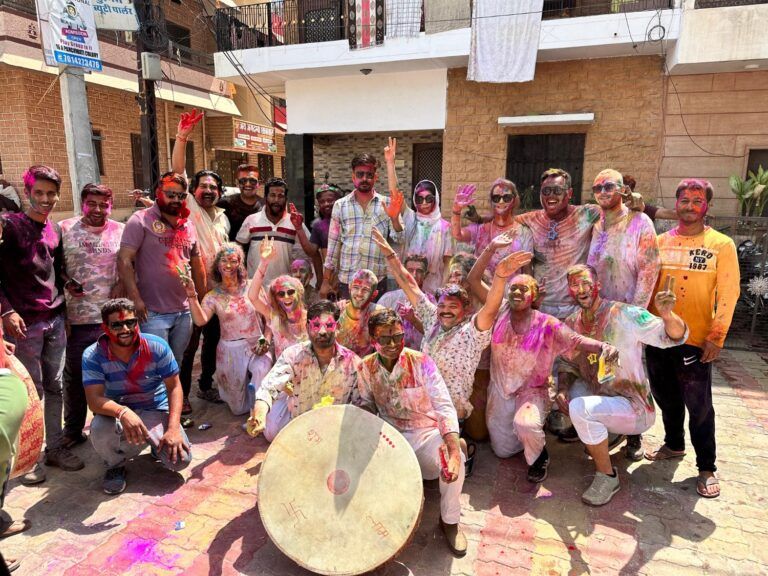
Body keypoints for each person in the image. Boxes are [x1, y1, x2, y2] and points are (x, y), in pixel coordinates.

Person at [557, 265, 687, 505]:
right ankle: (608, 432)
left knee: (580, 409)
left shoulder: (625, 315)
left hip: (635, 407)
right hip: (604, 396)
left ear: (597, 285)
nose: (581, 289)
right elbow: (567, 363)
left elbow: (674, 337)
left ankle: (607, 476)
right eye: (575, 285)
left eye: (586, 283)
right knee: (570, 397)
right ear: (569, 290)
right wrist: (562, 389)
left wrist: (668, 315)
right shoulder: (573, 322)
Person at [372, 228, 532, 420]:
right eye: (442, 305)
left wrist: (500, 277)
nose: (446, 310)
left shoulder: (472, 332)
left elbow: (491, 306)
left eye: (453, 306)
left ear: (465, 310)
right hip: (421, 402)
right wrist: (389, 253)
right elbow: (409, 283)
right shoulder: (432, 318)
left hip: (450, 410)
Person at [645, 178, 740, 499]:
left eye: (696, 201)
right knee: (665, 395)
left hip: (696, 340)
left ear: (706, 207)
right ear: (677, 204)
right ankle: (673, 444)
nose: (689, 206)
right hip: (658, 337)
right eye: (683, 200)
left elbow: (729, 293)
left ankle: (707, 467)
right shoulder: (658, 242)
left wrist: (717, 336)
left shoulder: (721, 246)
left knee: (699, 406)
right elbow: (646, 287)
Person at [487, 273, 619, 483]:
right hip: (500, 389)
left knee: (526, 426)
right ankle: (531, 434)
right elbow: (476, 283)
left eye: (524, 289)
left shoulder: (546, 323)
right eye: (513, 288)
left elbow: (576, 340)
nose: (517, 292)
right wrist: (499, 268)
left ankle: (540, 457)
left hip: (532, 390)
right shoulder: (499, 311)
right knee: (503, 450)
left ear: (534, 296)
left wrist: (602, 346)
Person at [357, 309, 467, 557]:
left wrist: (452, 452)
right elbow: (366, 404)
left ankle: (449, 521)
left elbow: (443, 406)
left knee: (453, 457)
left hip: (425, 436)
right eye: (385, 339)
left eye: (398, 336)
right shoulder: (365, 368)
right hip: (389, 439)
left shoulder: (422, 362)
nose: (393, 344)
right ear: (373, 340)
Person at [0, 165, 83, 484]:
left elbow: (55, 268)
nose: (45, 199)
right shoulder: (9, 226)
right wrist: (6, 310)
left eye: (51, 193)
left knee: (55, 386)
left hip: (54, 319)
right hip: (23, 325)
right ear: (28, 191)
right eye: (39, 193)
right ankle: (27, 457)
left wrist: (69, 283)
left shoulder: (55, 230)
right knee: (29, 393)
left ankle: (55, 448)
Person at [83, 299, 191, 495]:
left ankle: (155, 443)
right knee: (98, 427)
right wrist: (123, 412)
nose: (125, 329)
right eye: (116, 324)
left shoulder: (157, 346)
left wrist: (173, 428)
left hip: (155, 409)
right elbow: (94, 400)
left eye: (130, 322)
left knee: (181, 461)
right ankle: (115, 464)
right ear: (105, 327)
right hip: (118, 414)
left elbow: (174, 387)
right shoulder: (92, 355)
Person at [60, 184, 125, 450]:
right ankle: (73, 430)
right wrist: (66, 284)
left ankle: (106, 427)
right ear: (82, 203)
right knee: (74, 377)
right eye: (91, 204)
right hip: (76, 319)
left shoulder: (121, 231)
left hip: (109, 321)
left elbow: (126, 268)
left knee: (110, 377)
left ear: (110, 205)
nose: (98, 210)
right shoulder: (64, 229)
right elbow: (55, 268)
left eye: (104, 205)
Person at [248, 300, 362, 440]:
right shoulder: (293, 355)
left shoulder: (354, 363)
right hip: (300, 433)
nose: (322, 331)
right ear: (308, 327)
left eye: (329, 325)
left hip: (336, 435)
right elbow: (268, 387)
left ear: (337, 327)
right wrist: (259, 416)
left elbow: (360, 407)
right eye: (316, 325)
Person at [182, 243, 272, 416]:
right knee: (238, 409)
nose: (228, 265)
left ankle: (259, 412)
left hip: (256, 343)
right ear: (217, 265)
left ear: (240, 264)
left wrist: (266, 339)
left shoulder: (253, 287)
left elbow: (269, 318)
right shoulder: (212, 296)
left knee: (261, 371)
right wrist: (191, 294)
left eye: (233, 260)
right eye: (224, 260)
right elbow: (200, 320)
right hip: (230, 351)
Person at [178, 169, 231, 406]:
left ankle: (206, 386)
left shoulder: (223, 217)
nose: (208, 191)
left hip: (217, 292)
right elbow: (179, 170)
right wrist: (182, 137)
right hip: (192, 293)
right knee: (188, 348)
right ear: (192, 190)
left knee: (213, 341)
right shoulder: (189, 209)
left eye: (213, 188)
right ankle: (181, 397)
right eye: (204, 186)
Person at [320, 153, 404, 300]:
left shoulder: (387, 204)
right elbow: (333, 247)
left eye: (369, 174)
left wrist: (395, 218)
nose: (365, 178)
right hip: (348, 282)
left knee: (375, 322)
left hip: (376, 281)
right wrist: (326, 280)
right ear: (353, 177)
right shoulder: (340, 205)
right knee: (350, 322)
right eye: (360, 174)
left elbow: (400, 237)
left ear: (375, 177)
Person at [384, 138, 453, 294]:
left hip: (434, 285)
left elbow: (448, 262)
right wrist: (390, 163)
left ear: (436, 199)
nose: (424, 203)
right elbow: (395, 194)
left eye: (429, 198)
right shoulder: (410, 218)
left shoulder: (445, 227)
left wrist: (443, 288)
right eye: (419, 198)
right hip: (409, 281)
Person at [587, 169, 660, 307]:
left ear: (623, 190)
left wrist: (635, 313)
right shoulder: (594, 221)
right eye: (597, 188)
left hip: (627, 312)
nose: (602, 192)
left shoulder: (640, 221)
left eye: (609, 187)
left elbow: (649, 270)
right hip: (596, 310)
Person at [236, 178, 319, 286]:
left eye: (280, 196)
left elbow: (312, 252)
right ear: (266, 198)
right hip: (255, 288)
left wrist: (298, 228)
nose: (276, 200)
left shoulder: (294, 221)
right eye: (272, 195)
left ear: (286, 198)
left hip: (284, 290)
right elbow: (238, 251)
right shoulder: (251, 220)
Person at [450, 179, 533, 277]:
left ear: (514, 200)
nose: (501, 202)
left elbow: (527, 268)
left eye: (506, 198)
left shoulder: (524, 233)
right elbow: (457, 235)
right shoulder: (481, 228)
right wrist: (456, 209)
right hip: (481, 289)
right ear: (491, 201)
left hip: (511, 290)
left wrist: (532, 287)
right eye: (496, 198)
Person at [247, 237, 309, 359]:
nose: (286, 297)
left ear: (299, 293)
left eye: (290, 292)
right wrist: (264, 262)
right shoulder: (275, 317)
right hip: (284, 374)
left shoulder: (309, 317)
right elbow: (252, 297)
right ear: (276, 298)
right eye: (281, 294)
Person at [335, 269, 384, 358]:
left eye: (365, 290)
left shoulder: (378, 314)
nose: (359, 293)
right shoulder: (337, 311)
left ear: (374, 294)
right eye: (356, 287)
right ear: (349, 288)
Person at [307, 183, 343, 262]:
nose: (326, 204)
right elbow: (312, 251)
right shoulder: (318, 225)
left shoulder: (348, 221)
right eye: (322, 202)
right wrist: (299, 229)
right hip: (330, 272)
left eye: (330, 200)